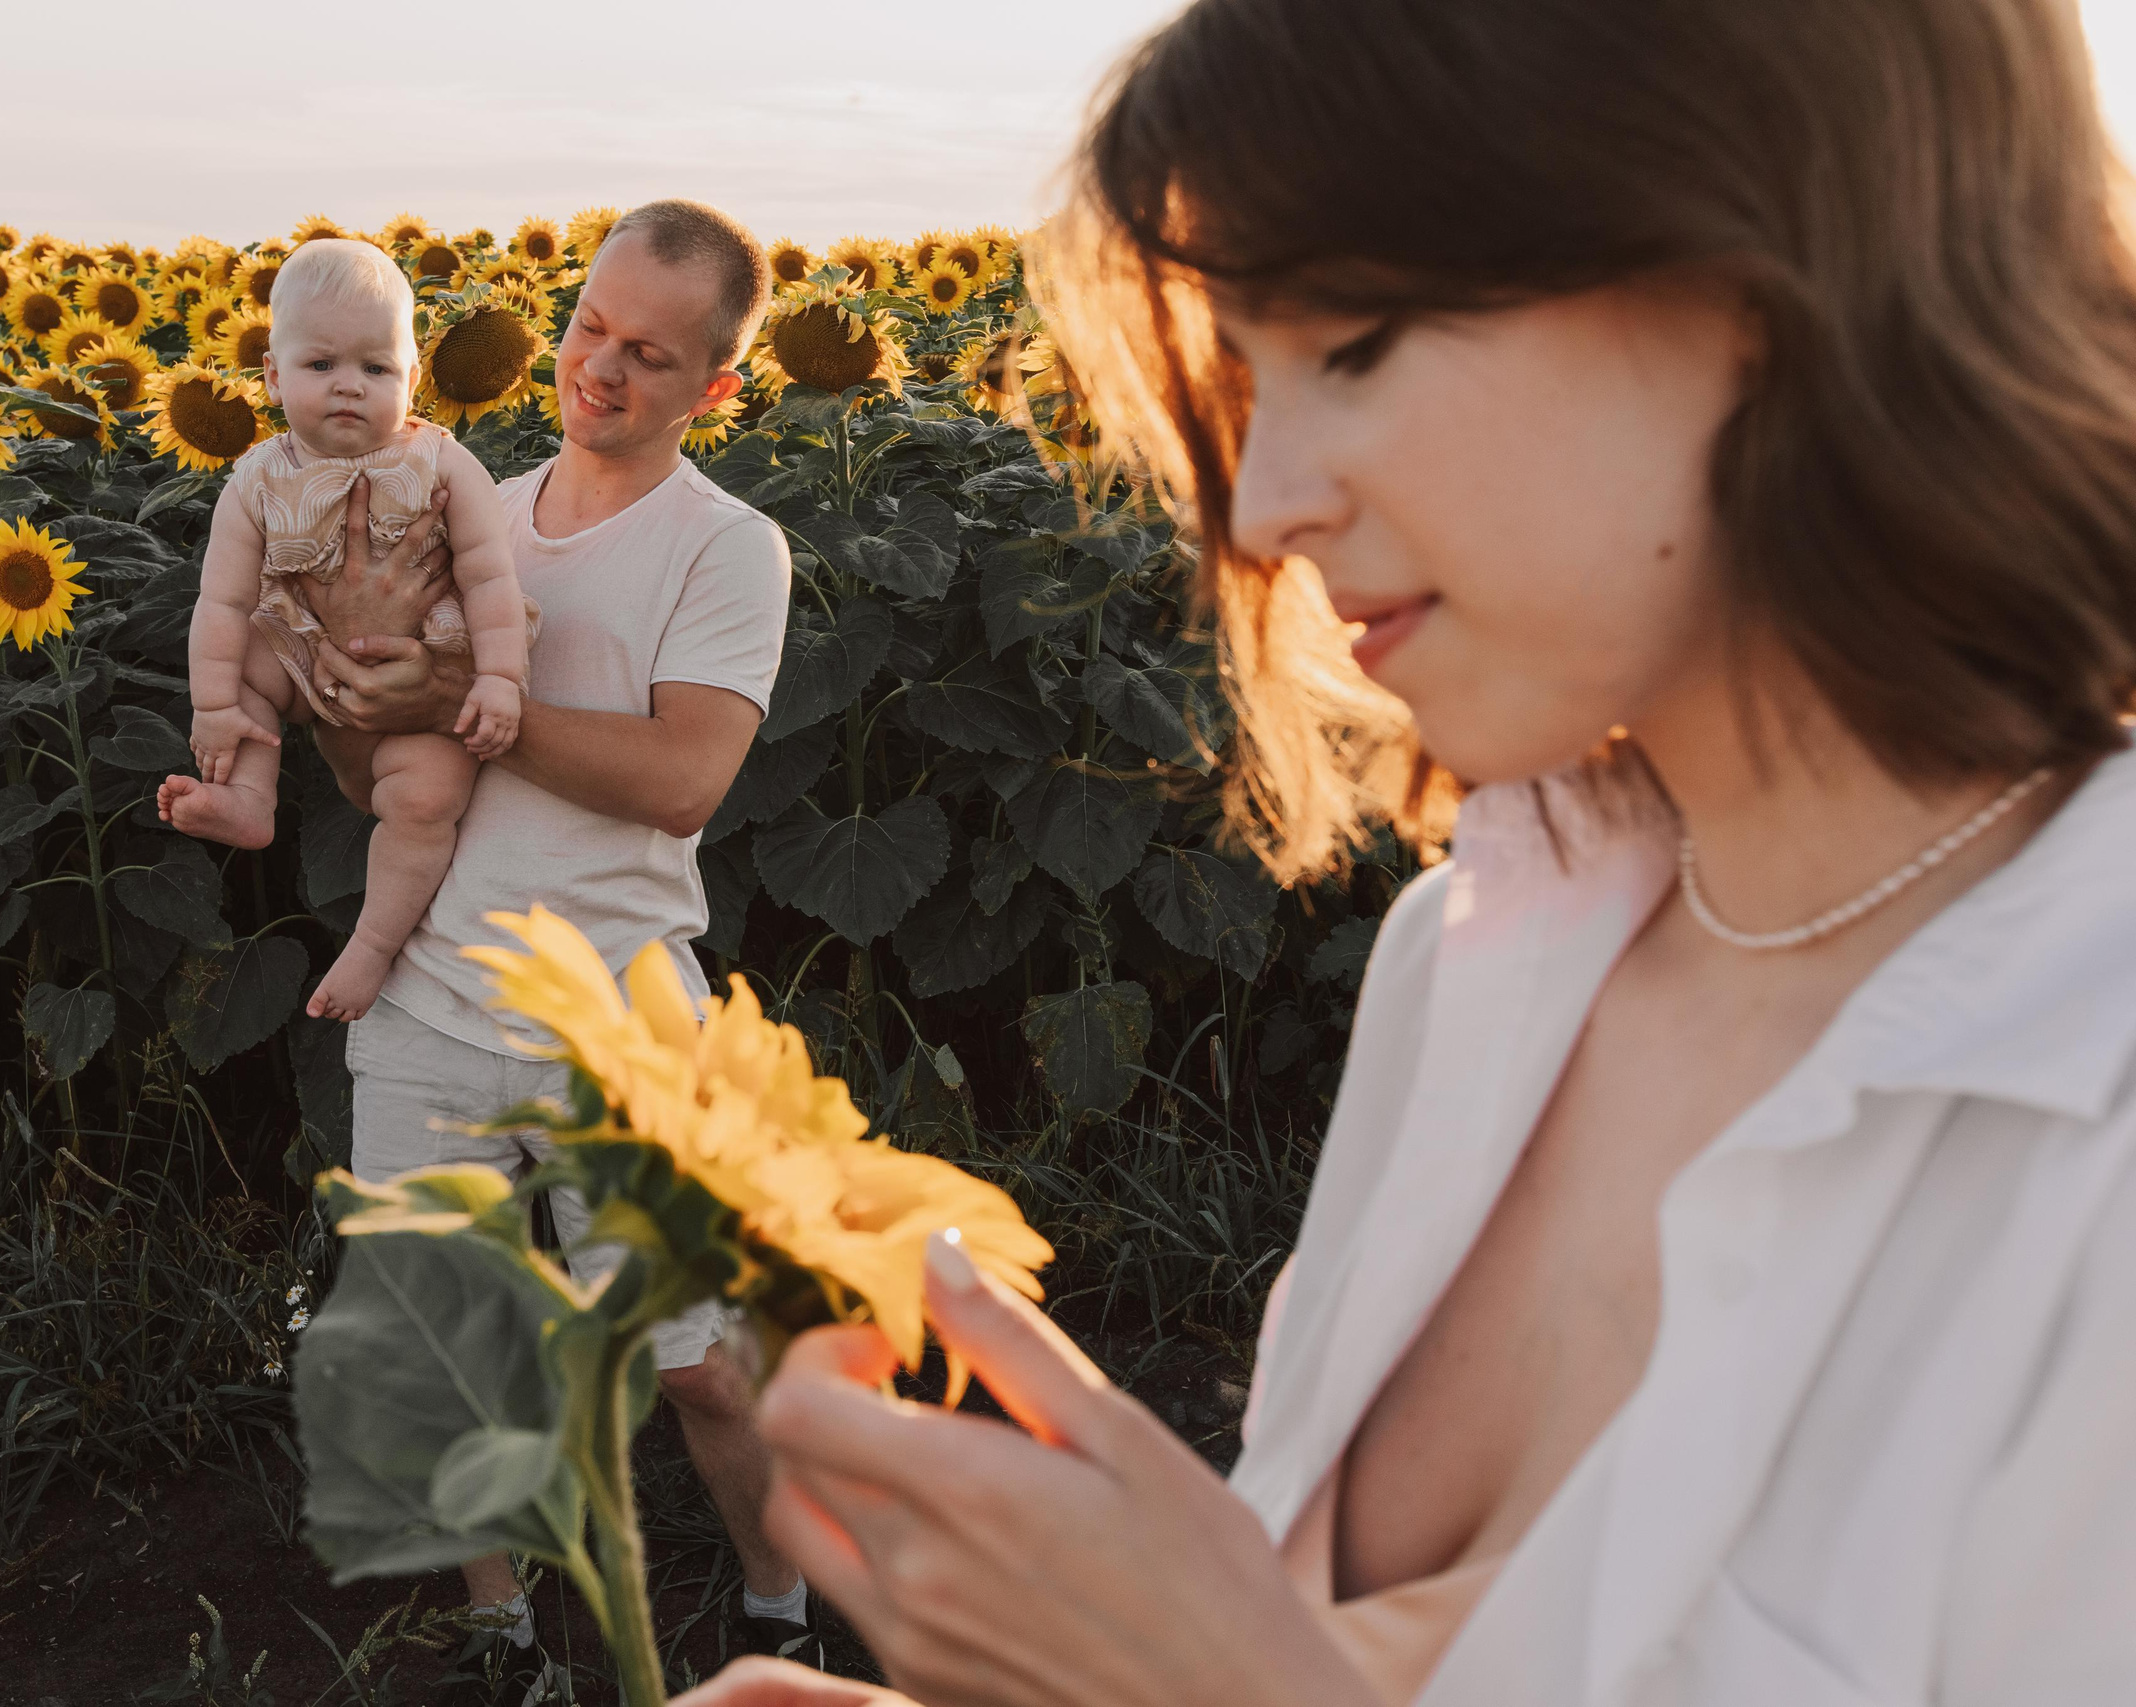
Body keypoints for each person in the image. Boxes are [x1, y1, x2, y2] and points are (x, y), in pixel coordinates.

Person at [677, 0, 2136, 1703]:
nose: (1259, 504)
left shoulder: (2088, 1091)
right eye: (1244, 382)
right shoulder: (1480, 953)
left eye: (1353, 343)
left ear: (1759, 276)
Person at [299, 201, 823, 1684]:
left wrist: (486, 695)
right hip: (431, 1002)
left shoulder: (729, 548)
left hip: (621, 1016)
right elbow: (379, 783)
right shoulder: (466, 513)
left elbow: (683, 778)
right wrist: (357, 712)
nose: (602, 367)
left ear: (716, 386)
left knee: (697, 1368)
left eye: (651, 354)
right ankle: (503, 1632)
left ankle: (782, 1600)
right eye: (592, 325)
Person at [155, 237, 538, 1023]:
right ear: (270, 375)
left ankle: (370, 948)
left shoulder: (442, 462)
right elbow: (222, 604)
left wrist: (500, 677)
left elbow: (490, 575)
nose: (348, 388)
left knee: (429, 794)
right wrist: (214, 707)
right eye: (321, 365)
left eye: (376, 369)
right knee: (247, 666)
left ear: (413, 378)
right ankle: (249, 798)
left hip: (425, 663)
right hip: (297, 652)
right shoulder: (256, 479)